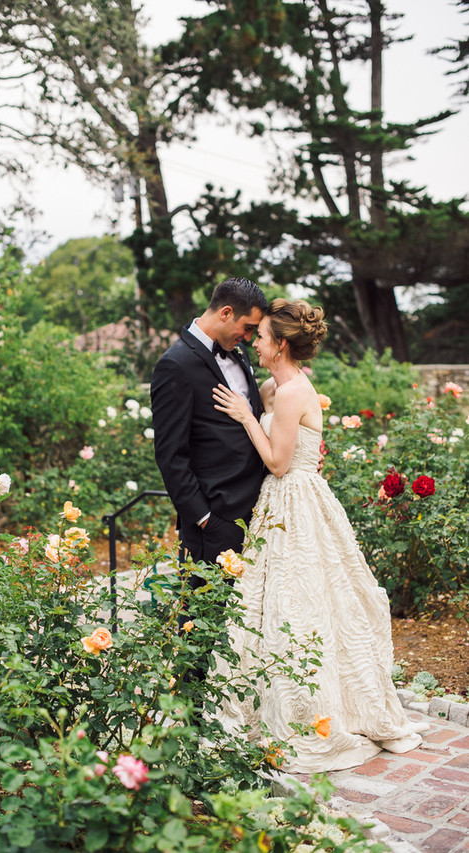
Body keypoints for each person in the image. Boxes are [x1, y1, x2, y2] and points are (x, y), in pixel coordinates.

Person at [210, 298, 425, 772]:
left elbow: (278, 462)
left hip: (297, 501)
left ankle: (318, 711)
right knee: (274, 603)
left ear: (281, 344)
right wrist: (254, 410)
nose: (255, 343)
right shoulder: (275, 388)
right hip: (278, 503)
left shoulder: (291, 393)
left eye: (262, 337)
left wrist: (245, 417)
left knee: (303, 602)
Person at [151, 277, 268, 569]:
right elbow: (170, 455)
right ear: (226, 313)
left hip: (260, 511)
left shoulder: (238, 354)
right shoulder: (175, 365)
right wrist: (205, 519)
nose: (249, 338)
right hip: (218, 521)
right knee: (207, 599)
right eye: (248, 328)